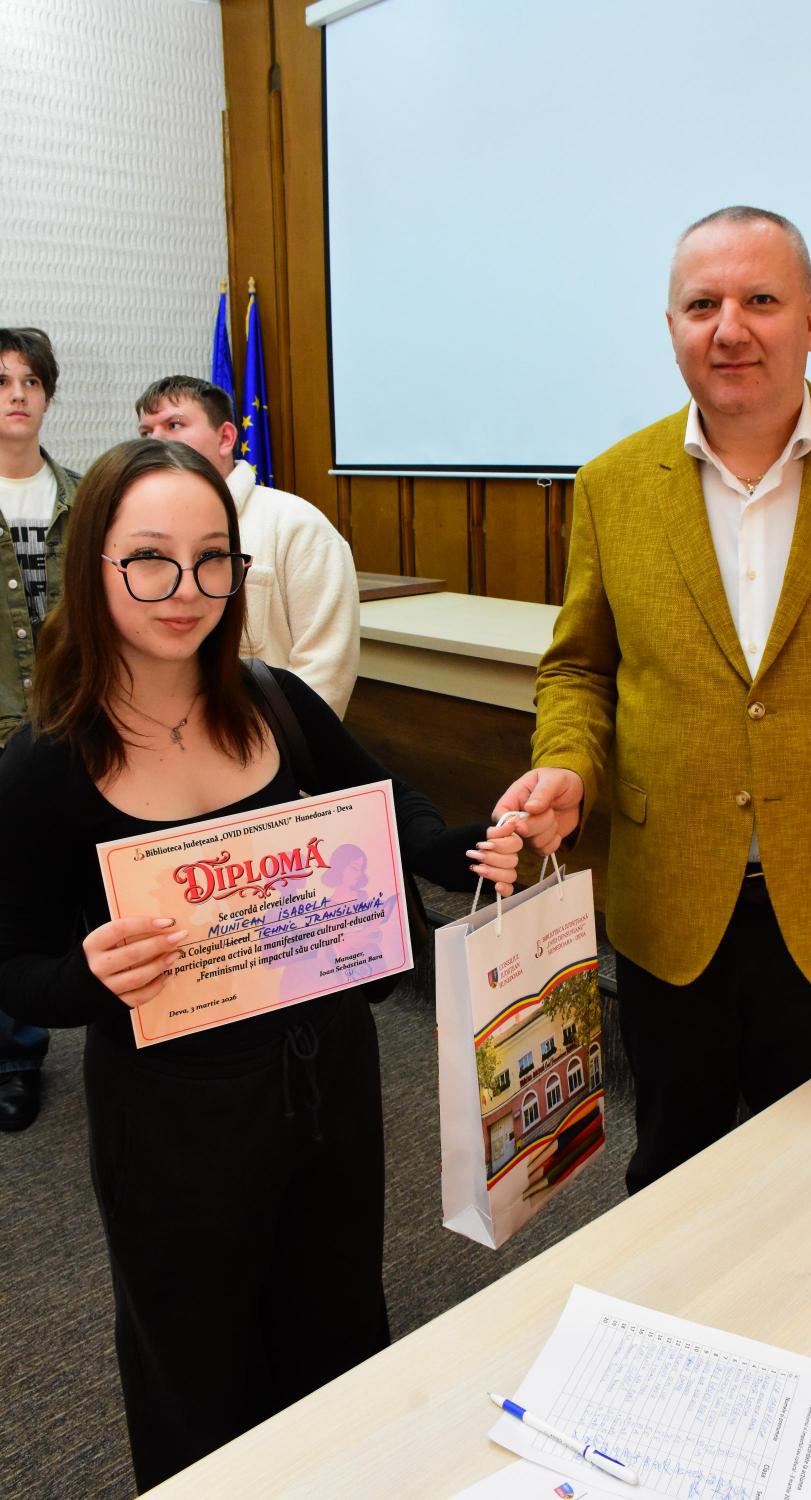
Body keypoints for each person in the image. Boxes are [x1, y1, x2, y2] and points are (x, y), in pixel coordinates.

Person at [0, 438, 521, 1491]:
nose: (187, 589)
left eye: (213, 559)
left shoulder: (273, 698)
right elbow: (11, 966)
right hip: (173, 1119)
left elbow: (394, 812)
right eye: (151, 559)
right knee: (196, 1365)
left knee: (337, 1330)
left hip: (329, 1082)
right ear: (95, 566)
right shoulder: (47, 758)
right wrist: (85, 979)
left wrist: (483, 843)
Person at [496, 206, 811, 1194]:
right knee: (670, 1169)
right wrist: (566, 764)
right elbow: (580, 669)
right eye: (702, 305)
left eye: (760, 300)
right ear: (672, 327)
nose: (730, 328)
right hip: (669, 903)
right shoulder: (612, 485)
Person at [135, 375, 360, 717]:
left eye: (174, 424)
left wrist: (264, 741)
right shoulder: (140, 533)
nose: (156, 441)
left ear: (226, 438)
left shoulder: (297, 525)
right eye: (145, 432)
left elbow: (327, 669)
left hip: (264, 736)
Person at [0, 326, 79, 1132]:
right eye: (1, 381)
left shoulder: (87, 499)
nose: (17, 394)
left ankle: (36, 1050)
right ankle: (11, 1056)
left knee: (68, 889)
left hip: (71, 722)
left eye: (31, 381)